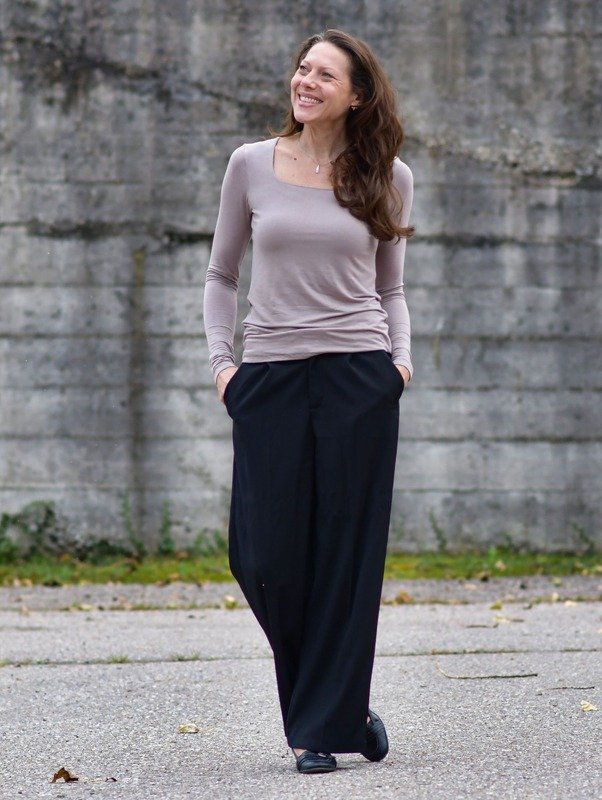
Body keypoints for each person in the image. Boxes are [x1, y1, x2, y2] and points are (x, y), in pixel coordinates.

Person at [203, 28, 414, 774]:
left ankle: (316, 729)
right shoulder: (250, 165)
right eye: (302, 69)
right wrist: (223, 366)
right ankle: (344, 711)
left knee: (346, 557)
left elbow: (391, 288)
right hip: (271, 379)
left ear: (356, 95)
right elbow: (221, 276)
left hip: (359, 378)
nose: (306, 81)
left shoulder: (388, 175)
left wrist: (400, 363)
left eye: (325, 74)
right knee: (263, 554)